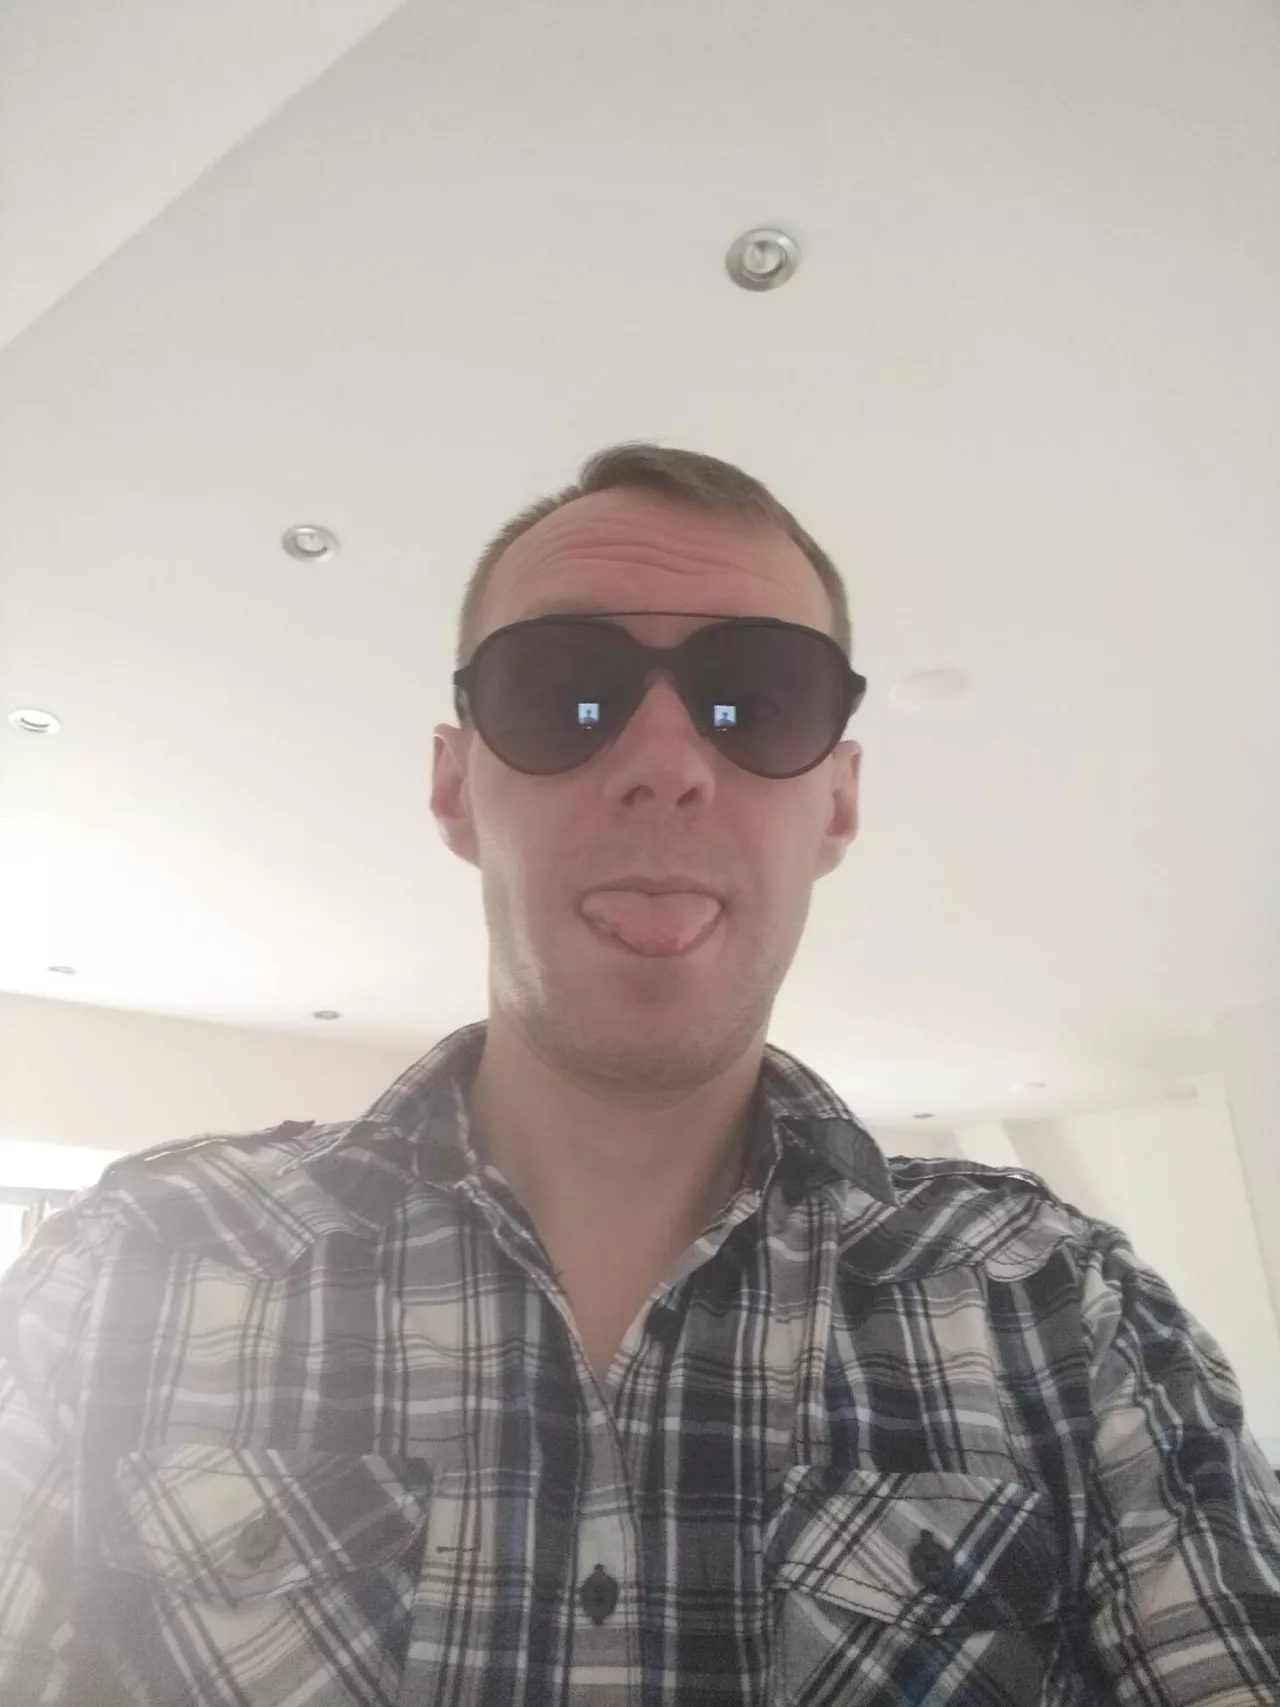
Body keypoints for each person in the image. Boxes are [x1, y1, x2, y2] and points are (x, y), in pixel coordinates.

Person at [1, 444, 1277, 1707]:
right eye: (565, 694)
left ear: (836, 803)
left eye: (753, 703)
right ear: (454, 787)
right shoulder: (124, 1271)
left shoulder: (1066, 1309)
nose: (664, 763)